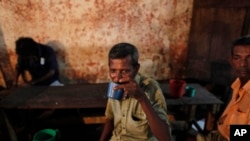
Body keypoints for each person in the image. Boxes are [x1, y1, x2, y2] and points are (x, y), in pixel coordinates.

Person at [99, 43, 171, 141]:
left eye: (124, 71)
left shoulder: (150, 87)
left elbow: (165, 138)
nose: (117, 78)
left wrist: (142, 98)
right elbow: (110, 118)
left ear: (136, 69)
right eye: (113, 71)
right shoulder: (114, 86)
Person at [197, 35, 250, 141]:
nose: (243, 64)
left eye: (249, 58)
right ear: (231, 61)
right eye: (237, 58)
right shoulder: (236, 86)